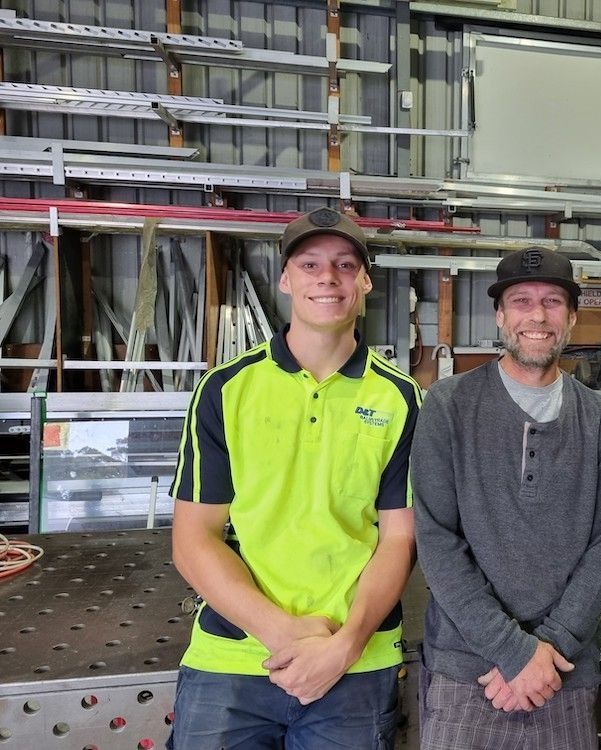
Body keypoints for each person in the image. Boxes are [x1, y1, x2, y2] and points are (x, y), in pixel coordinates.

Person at [168, 207, 421, 749]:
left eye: (345, 265)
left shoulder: (400, 399)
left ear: (365, 282)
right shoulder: (225, 389)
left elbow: (399, 539)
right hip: (234, 656)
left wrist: (344, 646)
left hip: (356, 661)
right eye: (310, 265)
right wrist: (280, 633)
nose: (327, 278)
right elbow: (194, 538)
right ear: (285, 279)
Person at [411, 246, 601, 750]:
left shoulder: (600, 420)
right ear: (500, 315)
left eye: (552, 302)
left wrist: (546, 651)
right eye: (521, 301)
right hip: (468, 671)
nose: (537, 316)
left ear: (571, 317)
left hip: (562, 672)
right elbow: (437, 542)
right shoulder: (448, 405)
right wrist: (513, 652)